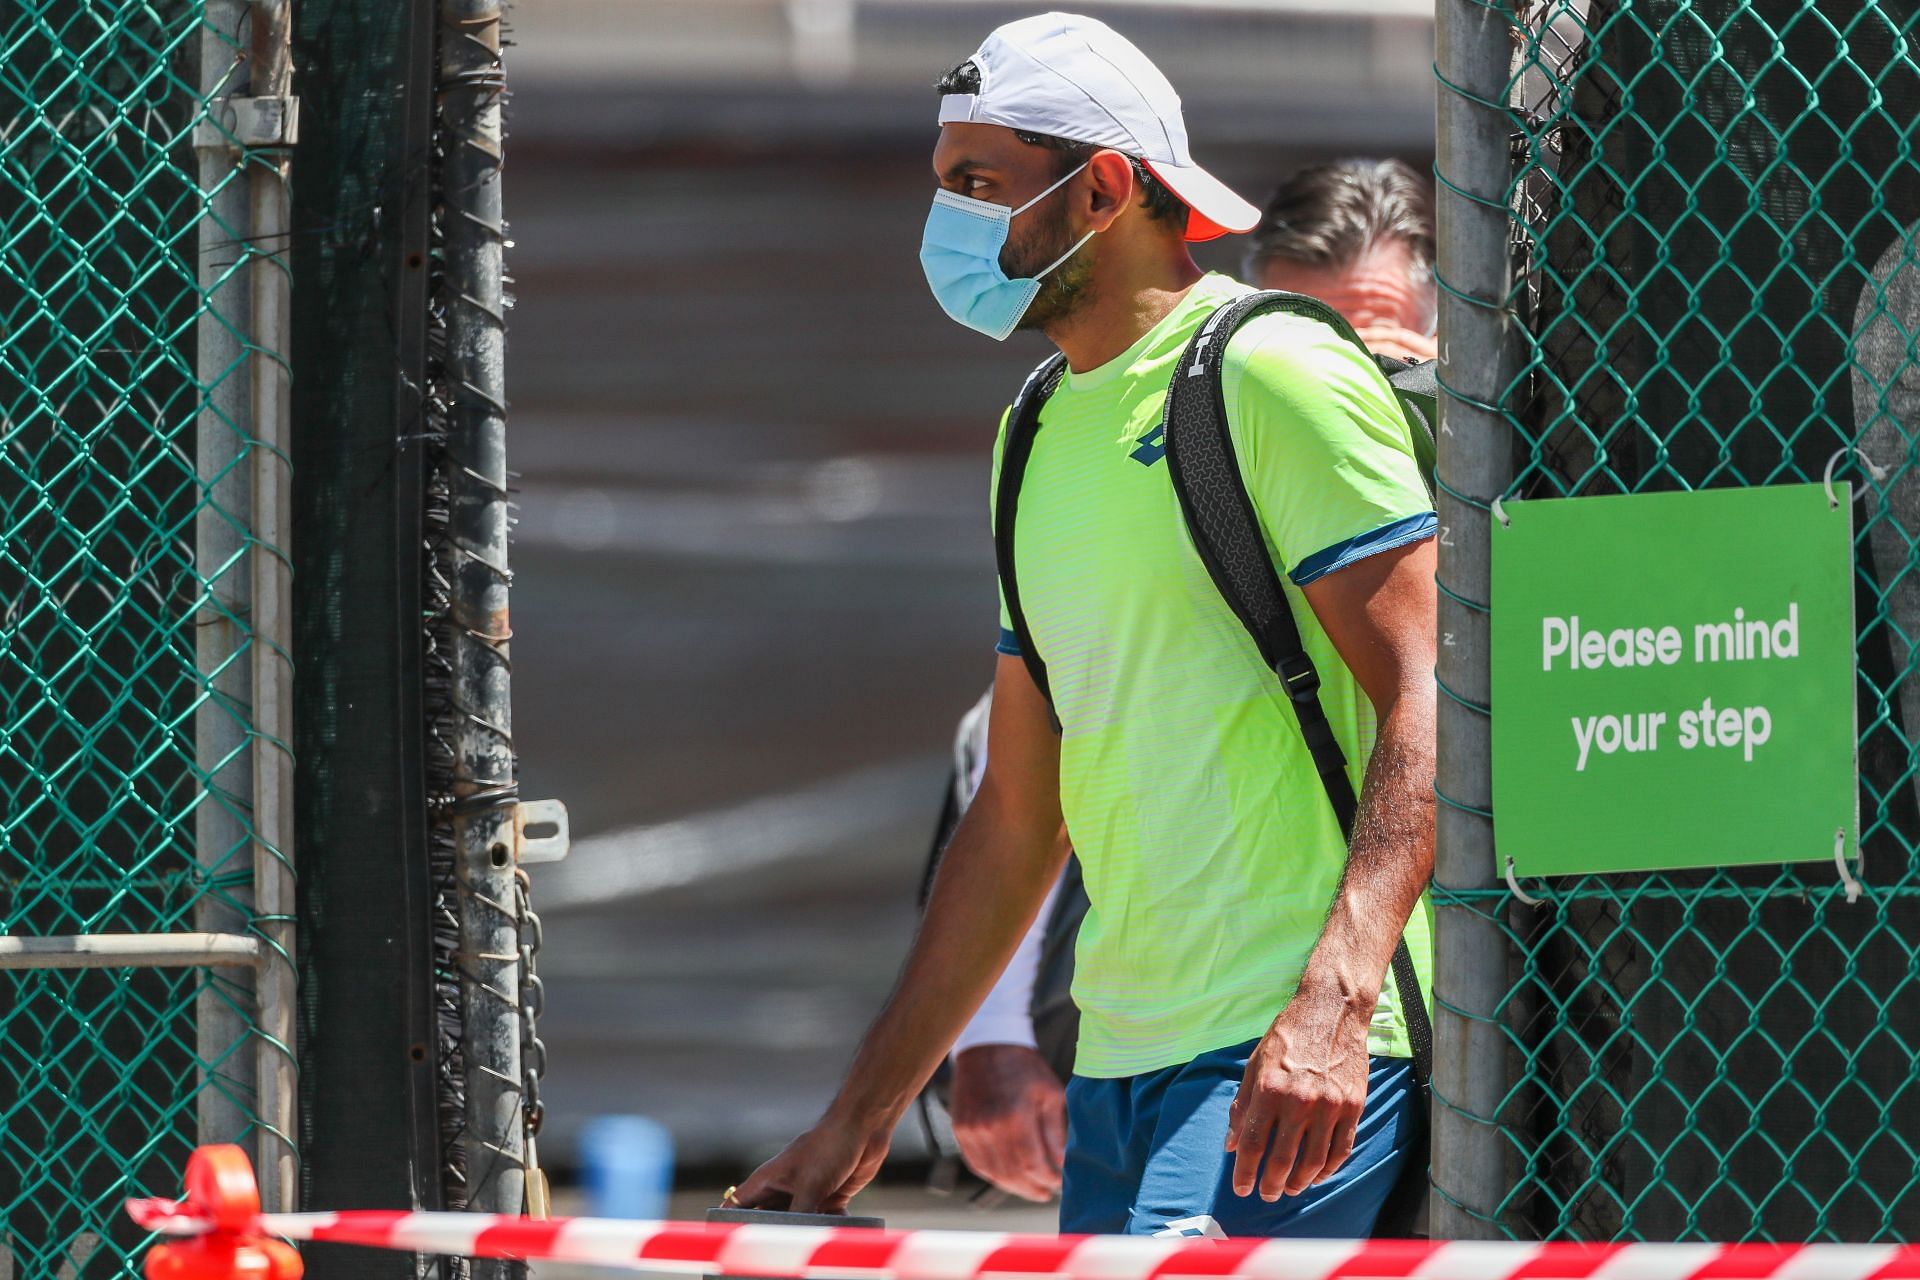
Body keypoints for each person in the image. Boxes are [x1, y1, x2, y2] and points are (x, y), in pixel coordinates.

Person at [735, 11, 1437, 1238]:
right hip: (1118, 1069)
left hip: (1301, 1059)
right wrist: (857, 1119)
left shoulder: (1276, 370)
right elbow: (1016, 810)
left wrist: (1335, 989)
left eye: (979, 184)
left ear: (1106, 187)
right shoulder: (1032, 432)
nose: (947, 222)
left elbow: (1436, 694)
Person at [937, 155, 1439, 1209]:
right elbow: (1020, 781)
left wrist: (1337, 999)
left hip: (1325, 1036)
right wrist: (972, 1042)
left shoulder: (1420, 471)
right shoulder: (1092, 422)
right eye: (1323, 334)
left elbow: (1432, 694)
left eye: (1386, 351)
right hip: (1124, 1046)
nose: (1366, 380)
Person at [1246, 159, 1437, 363]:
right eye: (1307, 343)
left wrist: (1450, 391)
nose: (1342, 378)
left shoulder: (1451, 379)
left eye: (1374, 353)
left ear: (1438, 334)